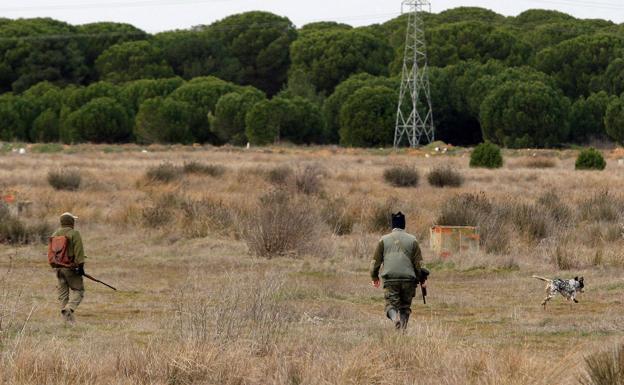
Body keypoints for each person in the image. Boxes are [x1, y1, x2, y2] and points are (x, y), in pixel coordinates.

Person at [370, 212, 424, 330]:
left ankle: (395, 320)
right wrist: (422, 279)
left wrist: (374, 277)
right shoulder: (413, 240)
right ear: (404, 225)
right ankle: (402, 331)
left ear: (392, 225)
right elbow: (419, 264)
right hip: (408, 280)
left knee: (390, 305)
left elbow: (375, 263)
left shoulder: (383, 240)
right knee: (405, 307)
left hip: (390, 280)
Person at [51, 212, 87, 324]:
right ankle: (69, 308)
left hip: (58, 268)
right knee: (79, 290)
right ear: (71, 222)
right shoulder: (74, 233)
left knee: (63, 295)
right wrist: (81, 266)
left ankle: (68, 322)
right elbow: (79, 252)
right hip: (71, 268)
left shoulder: (55, 234)